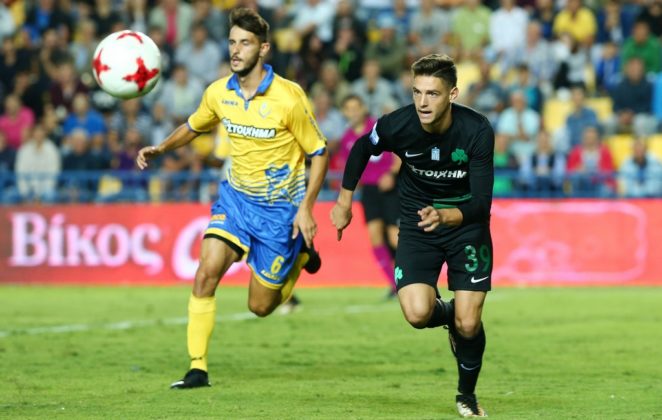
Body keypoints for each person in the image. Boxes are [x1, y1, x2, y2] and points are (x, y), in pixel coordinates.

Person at [137, 8, 328, 389]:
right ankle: (197, 368)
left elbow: (319, 153)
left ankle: (302, 257)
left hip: (278, 212)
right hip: (236, 202)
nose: (236, 50)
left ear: (264, 49)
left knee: (260, 306)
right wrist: (161, 148)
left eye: (245, 43)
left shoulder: (288, 98)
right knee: (206, 272)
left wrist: (306, 208)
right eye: (232, 42)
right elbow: (193, 126)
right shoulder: (218, 92)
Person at [331, 54, 494, 417]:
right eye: (417, 92)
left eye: (432, 94)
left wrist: (446, 215)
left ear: (452, 94)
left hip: (466, 228)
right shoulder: (398, 124)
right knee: (418, 313)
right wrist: (344, 201)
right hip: (419, 227)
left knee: (470, 323)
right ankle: (447, 313)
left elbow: (482, 204)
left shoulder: (477, 130)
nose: (422, 102)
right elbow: (362, 147)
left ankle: (466, 395)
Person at [333, 94, 401, 297]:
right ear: (344, 112)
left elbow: (399, 153)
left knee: (395, 237)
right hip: (370, 192)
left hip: (391, 188)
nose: (353, 112)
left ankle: (413, 277)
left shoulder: (378, 127)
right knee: (375, 236)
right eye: (349, 109)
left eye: (356, 107)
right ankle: (395, 285)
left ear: (363, 108)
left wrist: (392, 173)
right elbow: (351, 167)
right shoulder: (347, 139)